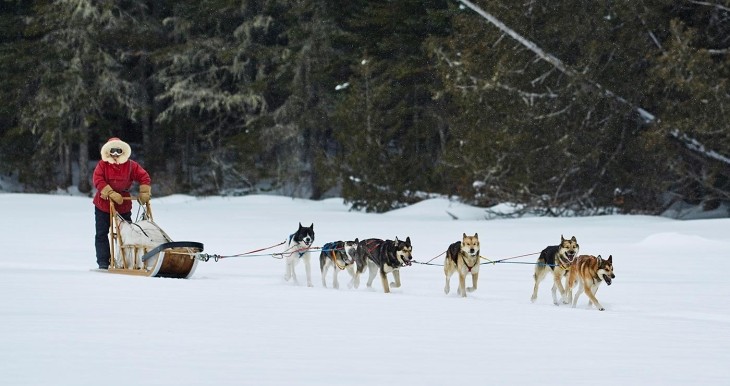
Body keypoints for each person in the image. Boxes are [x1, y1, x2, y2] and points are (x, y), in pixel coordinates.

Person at [92, 137, 151, 269]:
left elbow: (144, 176)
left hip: (123, 202)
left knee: (127, 233)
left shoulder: (130, 165)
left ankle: (128, 260)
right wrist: (110, 193)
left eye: (119, 151)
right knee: (101, 233)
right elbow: (98, 179)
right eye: (113, 151)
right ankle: (103, 262)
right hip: (103, 203)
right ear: (108, 151)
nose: (116, 154)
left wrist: (144, 192)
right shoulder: (102, 164)